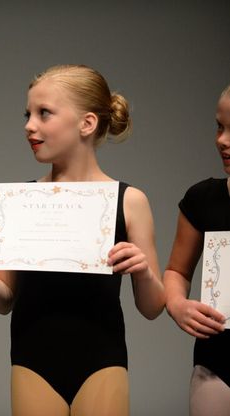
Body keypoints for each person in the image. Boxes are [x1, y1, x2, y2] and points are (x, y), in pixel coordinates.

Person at [0, 65, 165, 416]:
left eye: (44, 114)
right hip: (32, 362)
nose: (29, 125)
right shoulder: (19, 200)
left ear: (86, 123)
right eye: (28, 114)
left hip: (103, 361)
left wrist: (143, 272)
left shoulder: (129, 201)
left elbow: (152, 308)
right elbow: (5, 299)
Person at [164, 85, 230, 416]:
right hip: (216, 364)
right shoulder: (202, 199)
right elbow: (177, 270)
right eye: (220, 126)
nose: (222, 140)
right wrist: (176, 303)